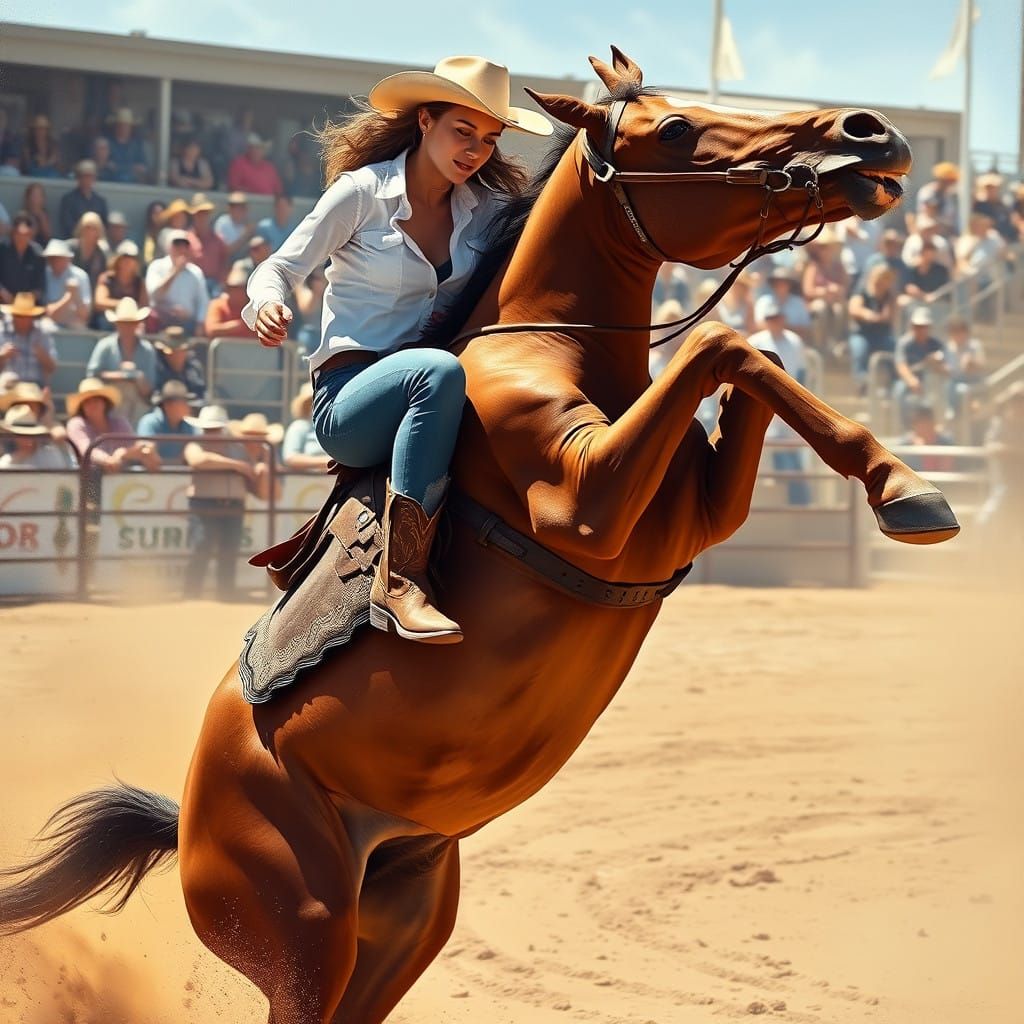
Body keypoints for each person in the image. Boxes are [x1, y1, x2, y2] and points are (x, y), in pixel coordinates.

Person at [244, 55, 550, 643]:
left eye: (489, 140)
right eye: (463, 132)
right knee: (433, 372)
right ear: (426, 120)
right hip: (349, 402)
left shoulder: (485, 214)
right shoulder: (359, 194)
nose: (476, 151)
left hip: (440, 395)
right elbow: (279, 268)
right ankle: (399, 581)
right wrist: (265, 305)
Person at [182, 404, 264, 600]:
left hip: (232, 503)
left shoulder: (237, 448)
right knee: (201, 546)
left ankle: (225, 594)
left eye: (215, 429)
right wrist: (238, 466)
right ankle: (192, 594)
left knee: (229, 550)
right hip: (204, 503)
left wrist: (250, 467)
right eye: (209, 429)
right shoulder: (194, 446)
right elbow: (199, 461)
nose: (212, 433)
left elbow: (251, 470)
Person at [748, 299, 812, 505]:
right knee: (770, 453)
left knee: (793, 452)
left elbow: (801, 371)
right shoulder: (756, 342)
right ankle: (782, 501)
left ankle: (799, 501)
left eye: (776, 317)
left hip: (791, 401)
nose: (774, 321)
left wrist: (799, 399)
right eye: (770, 318)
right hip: (765, 403)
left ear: (783, 319)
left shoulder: (794, 341)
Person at [86, 296, 157, 426]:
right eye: (123, 323)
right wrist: (120, 376)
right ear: (116, 324)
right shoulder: (105, 345)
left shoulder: (147, 350)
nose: (127, 327)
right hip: (108, 404)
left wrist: (137, 377)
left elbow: (149, 389)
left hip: (138, 405)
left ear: (137, 324)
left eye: (130, 323)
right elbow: (92, 377)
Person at [65, 377, 160, 473]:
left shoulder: (120, 423)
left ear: (105, 402)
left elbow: (135, 446)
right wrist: (108, 460)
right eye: (87, 402)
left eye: (96, 400)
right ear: (82, 407)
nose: (92, 404)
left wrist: (145, 451)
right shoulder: (76, 424)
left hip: (121, 482)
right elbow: (86, 450)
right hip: (86, 482)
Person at [894, 307, 949, 427]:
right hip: (911, 380)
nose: (920, 330)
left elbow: (946, 369)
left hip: (933, 380)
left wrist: (935, 364)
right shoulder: (905, 343)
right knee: (899, 392)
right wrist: (911, 380)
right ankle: (905, 430)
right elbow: (901, 364)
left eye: (923, 326)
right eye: (917, 326)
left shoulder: (937, 344)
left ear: (929, 327)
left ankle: (939, 428)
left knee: (945, 390)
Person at [847, 263, 898, 392]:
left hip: (881, 335)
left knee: (893, 347)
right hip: (862, 333)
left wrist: (882, 315)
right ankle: (862, 383)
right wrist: (868, 315)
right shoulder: (862, 291)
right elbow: (854, 309)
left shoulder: (888, 296)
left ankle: (893, 383)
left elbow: (888, 316)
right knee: (860, 350)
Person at [145, 231, 209, 334]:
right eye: (177, 245)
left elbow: (203, 302)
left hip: (188, 324)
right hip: (161, 322)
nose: (182, 250)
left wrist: (200, 323)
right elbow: (154, 295)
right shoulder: (156, 266)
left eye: (185, 246)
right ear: (169, 247)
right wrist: (175, 271)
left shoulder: (196, 272)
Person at [0, 292, 57, 385]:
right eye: (18, 316)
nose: (22, 320)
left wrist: (43, 356)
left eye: (26, 316)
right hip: (7, 386)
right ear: (13, 315)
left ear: (32, 317)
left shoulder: (42, 333)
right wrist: (2, 355)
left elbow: (52, 368)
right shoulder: (1, 330)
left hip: (34, 388)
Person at [137, 379, 198, 461]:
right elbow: (145, 451)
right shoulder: (149, 422)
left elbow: (193, 449)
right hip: (153, 473)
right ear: (168, 405)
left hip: (180, 473)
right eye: (183, 402)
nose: (187, 406)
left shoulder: (188, 425)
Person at [93, 241, 149, 327]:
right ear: (117, 260)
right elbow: (99, 302)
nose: (128, 261)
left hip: (132, 320)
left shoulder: (139, 282)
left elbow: (144, 306)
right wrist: (126, 305)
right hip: (109, 319)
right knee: (103, 322)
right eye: (125, 257)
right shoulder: (107, 279)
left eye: (132, 258)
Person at [0, 403, 72, 469]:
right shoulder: (5, 464)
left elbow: (60, 480)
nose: (26, 438)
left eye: (28, 434)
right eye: (20, 434)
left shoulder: (49, 455)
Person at [42, 238, 92, 330]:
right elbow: (49, 313)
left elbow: (85, 315)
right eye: (51, 258)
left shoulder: (81, 276)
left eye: (59, 258)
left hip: (74, 322)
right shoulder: (45, 274)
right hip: (52, 322)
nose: (55, 262)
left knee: (80, 328)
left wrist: (76, 295)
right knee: (44, 327)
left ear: (68, 259)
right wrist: (69, 297)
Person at [281, 382, 330, 471]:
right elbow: (290, 458)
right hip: (307, 482)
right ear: (306, 406)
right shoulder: (299, 426)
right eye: (313, 401)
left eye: (323, 400)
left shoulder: (333, 425)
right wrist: (327, 462)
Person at [187, 193, 229, 295]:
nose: (203, 217)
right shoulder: (186, 239)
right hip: (192, 285)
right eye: (199, 213)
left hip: (214, 285)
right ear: (194, 215)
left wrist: (222, 283)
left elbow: (225, 263)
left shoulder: (219, 239)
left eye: (206, 213)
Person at [0, 214, 46, 305]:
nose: (22, 238)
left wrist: (28, 298)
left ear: (31, 234)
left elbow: (40, 286)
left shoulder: (37, 253)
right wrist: (2, 292)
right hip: (2, 302)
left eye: (26, 234)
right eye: (18, 234)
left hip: (28, 306)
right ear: (13, 233)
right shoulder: (2, 249)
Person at [153, 326, 207, 402]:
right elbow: (156, 395)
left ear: (185, 351)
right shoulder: (158, 368)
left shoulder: (194, 367)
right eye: (172, 352)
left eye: (179, 351)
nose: (176, 355)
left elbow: (200, 393)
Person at [58, 160, 109, 238]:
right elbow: (67, 226)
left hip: (96, 242)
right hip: (74, 242)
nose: (87, 180)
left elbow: (104, 226)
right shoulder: (68, 200)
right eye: (84, 176)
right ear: (78, 178)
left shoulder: (100, 201)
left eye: (90, 176)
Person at [205, 265, 252, 338]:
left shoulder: (254, 308)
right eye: (231, 288)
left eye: (239, 288)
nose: (234, 292)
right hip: (224, 348)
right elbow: (211, 330)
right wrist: (240, 325)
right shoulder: (217, 305)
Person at [104, 107, 149, 183]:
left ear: (131, 128)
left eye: (126, 126)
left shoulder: (137, 145)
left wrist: (118, 167)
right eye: (120, 125)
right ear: (115, 127)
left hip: (133, 184)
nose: (123, 128)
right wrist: (131, 167)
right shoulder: (108, 143)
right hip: (111, 183)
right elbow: (105, 165)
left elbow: (143, 167)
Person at [916, 162, 960, 236]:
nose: (951, 184)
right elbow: (930, 215)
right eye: (949, 180)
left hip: (946, 233)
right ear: (941, 179)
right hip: (929, 233)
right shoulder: (928, 192)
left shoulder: (948, 195)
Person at [70, 211, 111, 289]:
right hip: (70, 289)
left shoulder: (101, 253)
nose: (90, 231)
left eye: (94, 228)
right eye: (87, 227)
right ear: (81, 228)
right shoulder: (70, 247)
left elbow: (105, 275)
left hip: (91, 292)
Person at [214, 191, 255, 265]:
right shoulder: (222, 222)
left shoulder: (248, 225)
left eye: (242, 207)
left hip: (244, 264)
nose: (239, 210)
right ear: (229, 208)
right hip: (224, 264)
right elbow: (225, 251)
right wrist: (245, 236)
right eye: (235, 206)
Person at [21, 115, 61, 179]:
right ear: (33, 130)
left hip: (49, 172)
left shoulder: (52, 144)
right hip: (32, 173)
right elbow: (27, 162)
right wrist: (36, 161)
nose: (40, 131)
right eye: (38, 129)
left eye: (43, 129)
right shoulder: (28, 144)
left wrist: (45, 163)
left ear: (47, 130)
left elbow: (55, 159)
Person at [21, 183, 52, 247]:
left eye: (39, 195)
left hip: (44, 247)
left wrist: (41, 217)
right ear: (27, 198)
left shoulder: (44, 214)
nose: (36, 198)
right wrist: (32, 219)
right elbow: (28, 237)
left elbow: (48, 235)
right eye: (34, 195)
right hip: (29, 248)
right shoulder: (22, 215)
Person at [142, 200, 166, 266]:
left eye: (161, 213)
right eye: (155, 213)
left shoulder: (167, 233)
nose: (158, 216)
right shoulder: (144, 234)